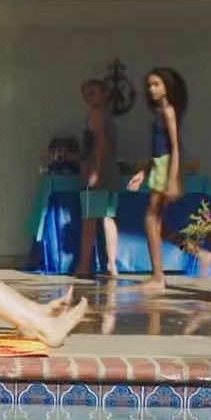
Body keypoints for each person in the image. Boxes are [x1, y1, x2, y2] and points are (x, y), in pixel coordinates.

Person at [126, 67, 187, 291]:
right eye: (149, 85)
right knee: (158, 223)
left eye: (157, 84)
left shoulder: (169, 112)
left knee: (151, 219)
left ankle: (158, 276)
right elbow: (156, 149)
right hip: (158, 167)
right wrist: (143, 172)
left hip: (166, 168)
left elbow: (175, 148)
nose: (152, 89)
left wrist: (173, 178)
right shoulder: (158, 113)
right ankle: (198, 252)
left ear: (166, 87)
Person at [75, 79, 120, 280]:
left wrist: (95, 171)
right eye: (85, 94)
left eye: (92, 93)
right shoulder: (106, 116)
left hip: (98, 173)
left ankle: (84, 266)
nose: (88, 98)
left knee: (89, 220)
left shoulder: (96, 116)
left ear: (103, 94)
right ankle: (112, 264)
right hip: (110, 174)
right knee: (108, 218)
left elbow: (102, 144)